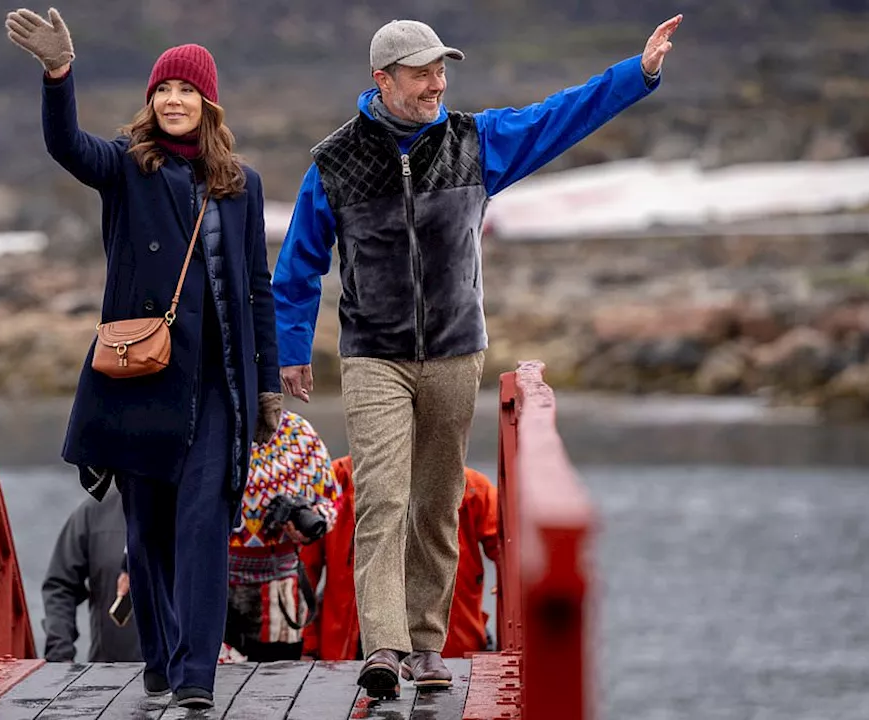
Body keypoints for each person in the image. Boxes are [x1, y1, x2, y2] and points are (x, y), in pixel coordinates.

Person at [272, 15, 681, 697]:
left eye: (442, 70)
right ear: (382, 79)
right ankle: (385, 648)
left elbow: (559, 118)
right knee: (381, 498)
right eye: (422, 72)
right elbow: (297, 267)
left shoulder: (475, 141)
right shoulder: (334, 162)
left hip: (457, 352)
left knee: (437, 501)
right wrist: (292, 350)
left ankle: (428, 645)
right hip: (374, 355)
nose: (437, 83)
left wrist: (635, 76)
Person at [6, 8, 282, 711]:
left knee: (202, 527)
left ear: (208, 104)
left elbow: (256, 288)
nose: (173, 101)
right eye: (163, 90)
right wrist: (58, 75)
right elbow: (67, 145)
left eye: (187, 91)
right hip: (144, 381)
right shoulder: (129, 167)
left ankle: (195, 677)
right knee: (148, 529)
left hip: (219, 387)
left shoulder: (241, 184)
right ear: (152, 101)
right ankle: (160, 658)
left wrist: (268, 386)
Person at [300, 457, 500, 661]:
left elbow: (510, 552)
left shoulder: (473, 489)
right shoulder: (336, 480)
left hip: (451, 655)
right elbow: (304, 572)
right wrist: (308, 647)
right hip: (350, 655)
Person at [224, 410, 340, 661]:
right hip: (215, 582)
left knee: (276, 681)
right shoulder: (213, 424)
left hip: (279, 587)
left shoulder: (299, 433)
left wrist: (309, 522)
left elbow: (331, 500)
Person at [41, 488, 143, 663]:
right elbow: (60, 586)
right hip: (112, 673)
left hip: (193, 677)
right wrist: (60, 654)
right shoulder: (94, 512)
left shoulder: (197, 509)